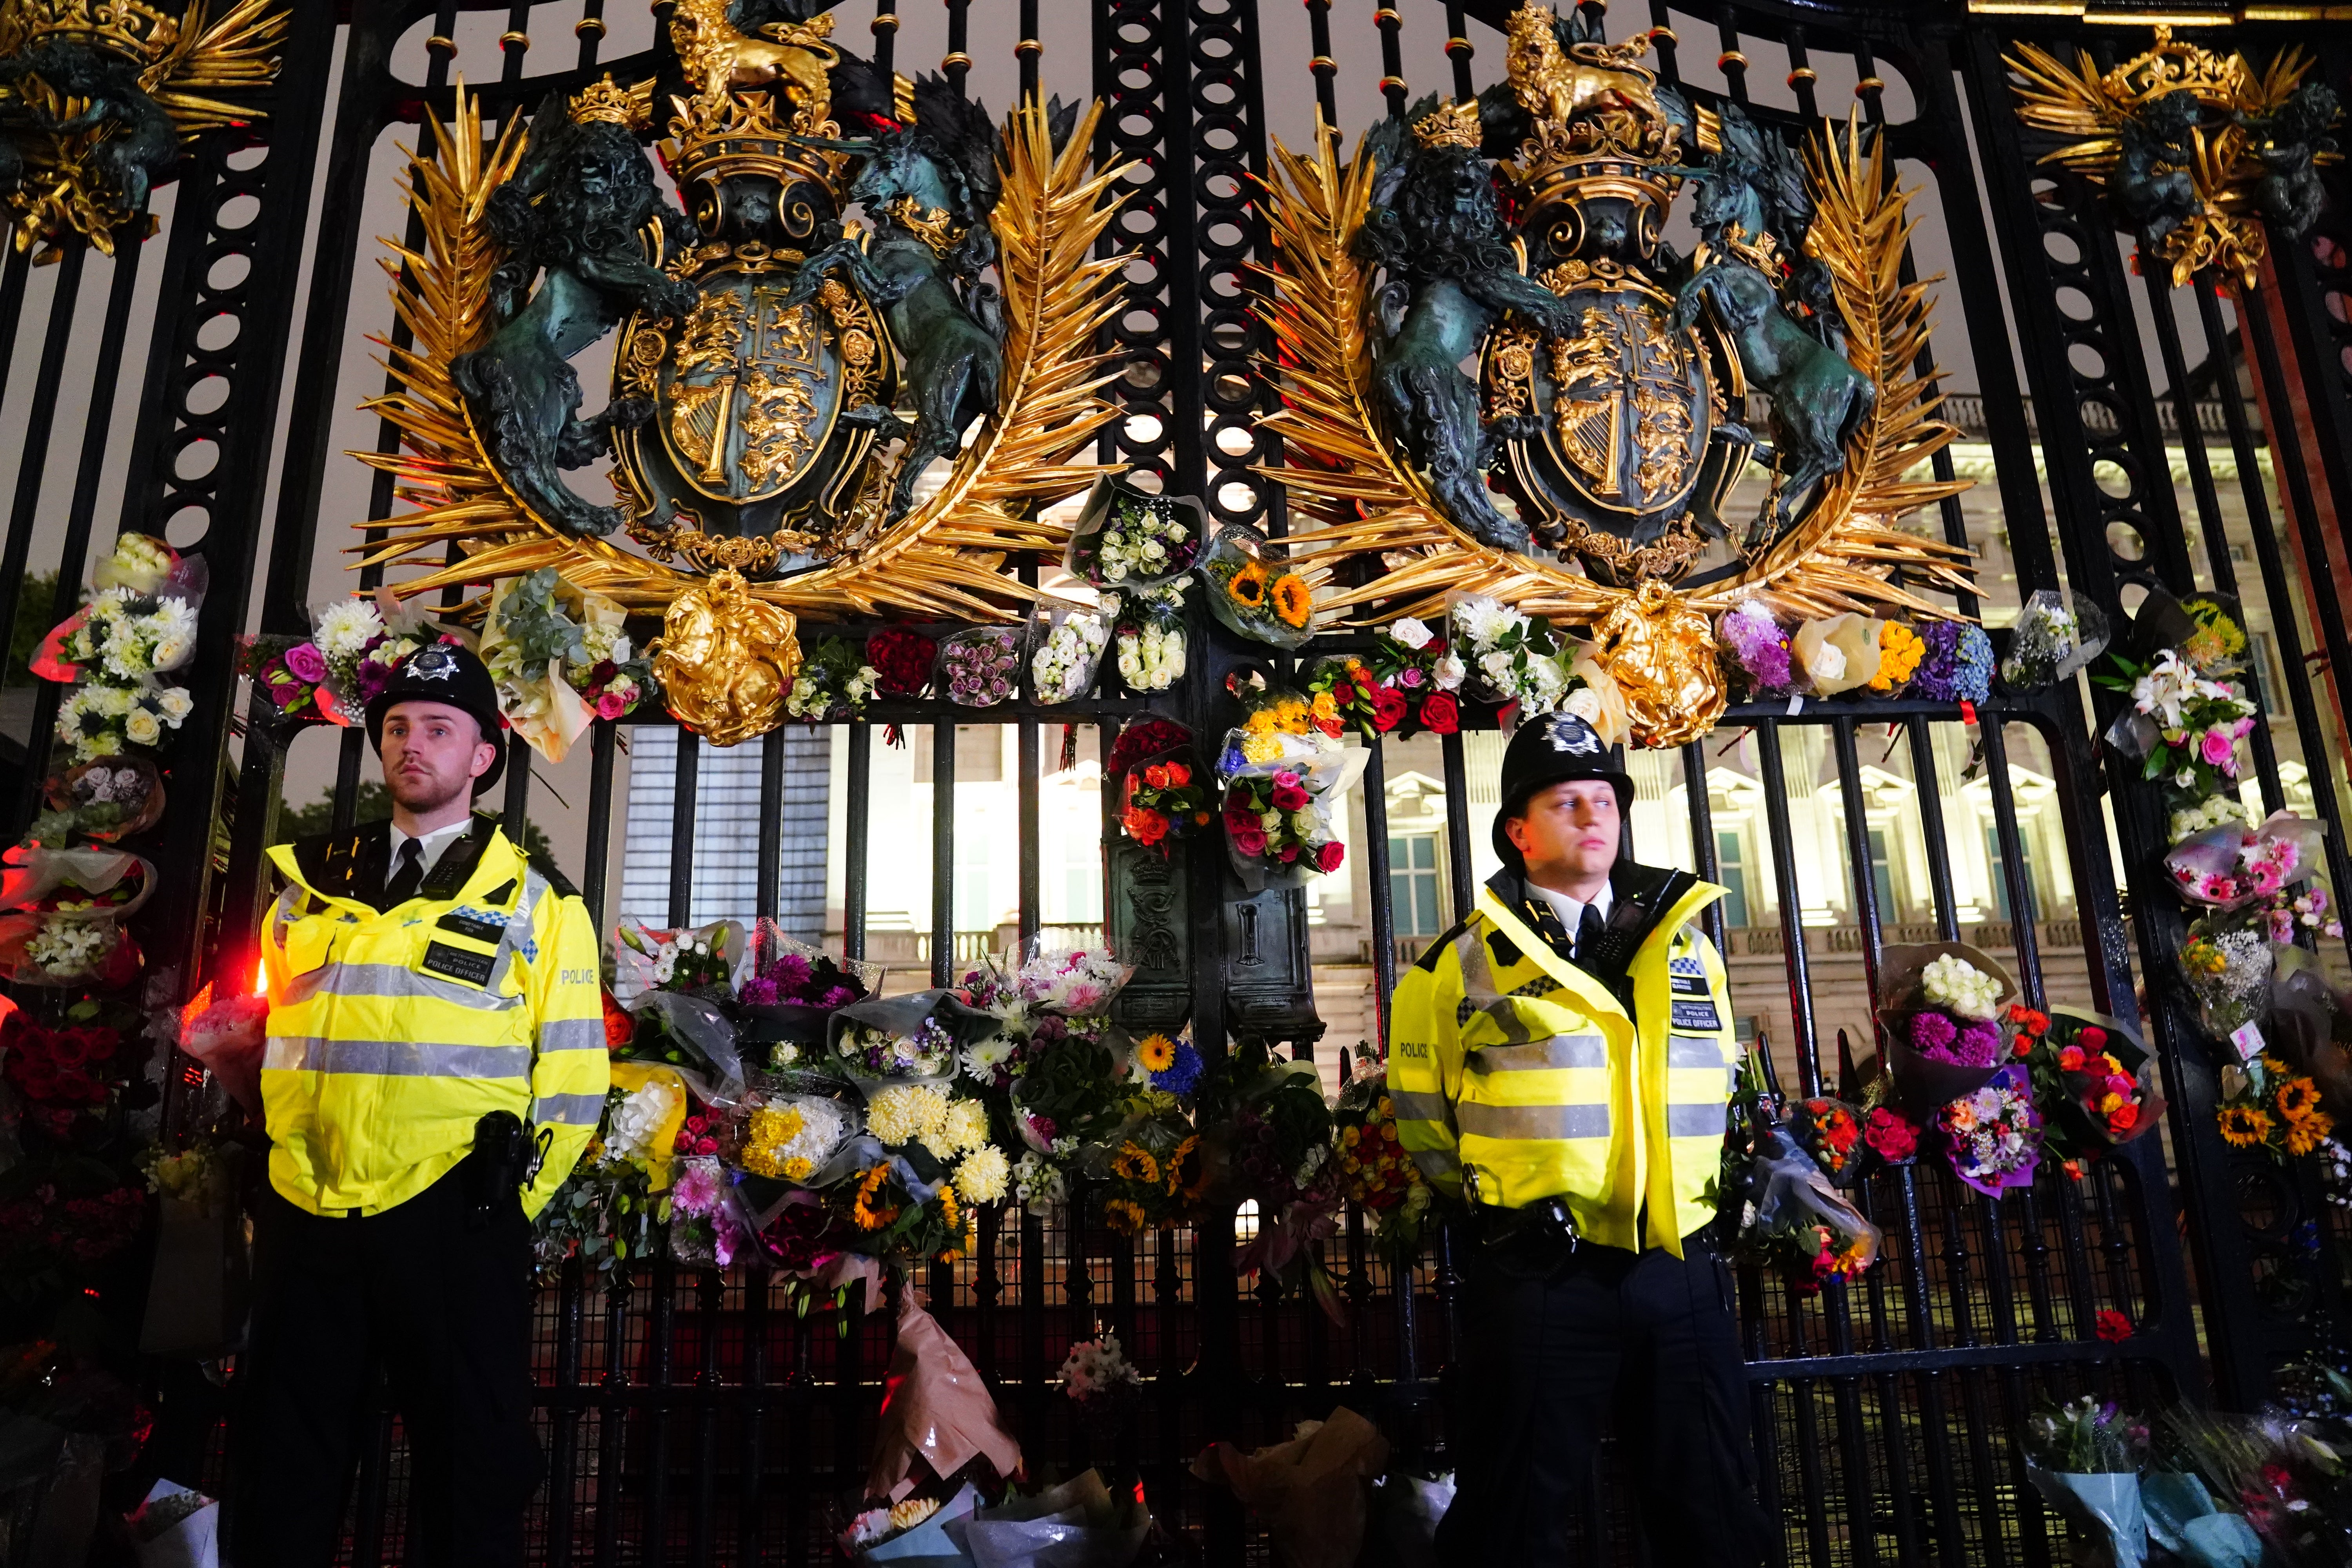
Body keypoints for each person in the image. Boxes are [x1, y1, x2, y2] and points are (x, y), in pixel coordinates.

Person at [229, 641, 608, 1568]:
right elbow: (280, 1037)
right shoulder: (306, 890)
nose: (412, 744)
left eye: (440, 729)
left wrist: (507, 1201)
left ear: (484, 757)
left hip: (452, 1218)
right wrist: (277, 1161)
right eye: (398, 726)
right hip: (309, 1214)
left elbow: (572, 1075)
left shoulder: (540, 904)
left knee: (469, 1477)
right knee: (285, 1472)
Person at [1390, 711, 1771, 1566]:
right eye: (1567, 802)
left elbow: (1720, 1085)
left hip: (1679, 1268)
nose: (1595, 815)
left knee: (1715, 1508)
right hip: (1541, 1274)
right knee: (1512, 1516)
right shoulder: (1457, 963)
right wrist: (1501, 1206)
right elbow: (1421, 1117)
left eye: (1605, 799)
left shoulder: (1691, 948)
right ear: (1518, 832)